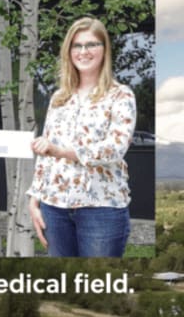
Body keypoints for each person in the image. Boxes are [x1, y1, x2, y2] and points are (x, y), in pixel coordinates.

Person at [27, 17, 135, 257]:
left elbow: (115, 148)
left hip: (101, 209)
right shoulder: (59, 97)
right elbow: (45, 151)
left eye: (92, 45)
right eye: (77, 46)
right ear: (69, 52)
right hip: (54, 207)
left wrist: (62, 151)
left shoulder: (120, 95)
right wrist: (35, 198)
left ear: (104, 49)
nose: (83, 51)